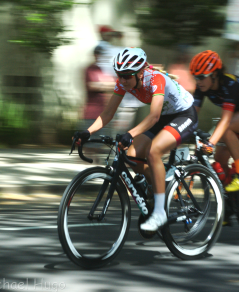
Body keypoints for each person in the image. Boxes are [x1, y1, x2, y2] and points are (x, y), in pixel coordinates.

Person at [79, 47, 197, 231]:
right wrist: (88, 131)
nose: (122, 80)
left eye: (127, 75)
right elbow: (108, 112)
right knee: (132, 156)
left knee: (153, 151)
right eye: (119, 75)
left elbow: (154, 117)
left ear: (140, 73)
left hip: (183, 114)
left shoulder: (155, 79)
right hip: (165, 116)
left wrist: (130, 133)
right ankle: (159, 186)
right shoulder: (123, 83)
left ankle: (159, 212)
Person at [190, 50, 239, 195]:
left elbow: (225, 120)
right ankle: (228, 210)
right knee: (219, 161)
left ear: (214, 74)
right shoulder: (202, 87)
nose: (198, 81)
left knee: (226, 128)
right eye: (195, 77)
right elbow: (192, 115)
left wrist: (210, 144)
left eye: (201, 77)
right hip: (237, 115)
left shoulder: (229, 83)